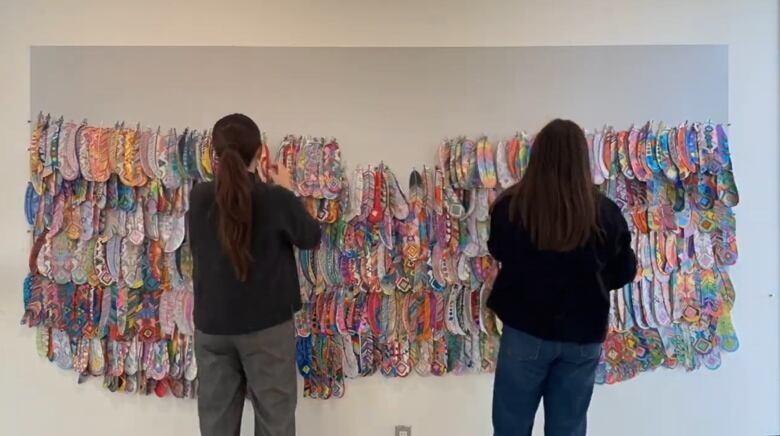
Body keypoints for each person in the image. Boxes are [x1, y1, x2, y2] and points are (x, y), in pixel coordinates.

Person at [488, 119, 637, 436]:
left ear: (537, 155)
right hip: (582, 336)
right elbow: (624, 270)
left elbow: (499, 251)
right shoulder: (605, 212)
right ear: (582, 159)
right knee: (568, 429)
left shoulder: (512, 206)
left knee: (511, 427)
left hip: (525, 330)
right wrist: (589, 279)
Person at [188, 114, 321, 436]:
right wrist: (287, 191)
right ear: (261, 151)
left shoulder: (200, 196)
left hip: (212, 327)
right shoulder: (275, 198)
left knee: (215, 425)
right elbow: (310, 236)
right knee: (275, 423)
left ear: (213, 153)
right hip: (267, 329)